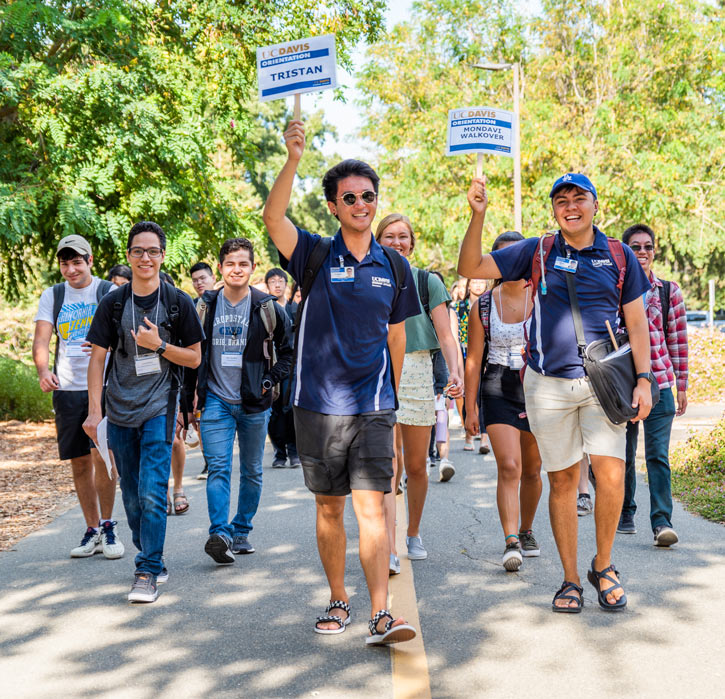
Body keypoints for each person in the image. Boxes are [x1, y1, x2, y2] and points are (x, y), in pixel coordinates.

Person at [458, 173, 652, 613]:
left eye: (578, 198)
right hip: (546, 385)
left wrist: (645, 379)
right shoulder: (538, 251)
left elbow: (637, 325)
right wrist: (478, 214)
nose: (570, 206)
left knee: (611, 475)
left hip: (605, 384)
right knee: (562, 481)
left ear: (594, 204)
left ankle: (603, 566)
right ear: (554, 210)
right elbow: (471, 267)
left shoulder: (620, 256)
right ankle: (569, 579)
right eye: (561, 200)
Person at [263, 116, 420, 645]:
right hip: (318, 405)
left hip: (373, 405)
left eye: (368, 196)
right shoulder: (314, 253)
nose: (360, 205)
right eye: (349, 198)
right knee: (329, 507)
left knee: (371, 506)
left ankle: (381, 612)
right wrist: (293, 159)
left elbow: (396, 337)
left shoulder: (394, 267)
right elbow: (272, 215)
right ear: (333, 206)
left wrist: (390, 396)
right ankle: (338, 599)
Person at [84, 221, 203, 603]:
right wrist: (93, 411)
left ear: (163, 256)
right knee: (132, 495)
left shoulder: (177, 301)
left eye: (153, 251)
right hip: (119, 409)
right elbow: (97, 358)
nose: (145, 258)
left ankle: (147, 569)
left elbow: (196, 358)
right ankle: (151, 552)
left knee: (152, 491)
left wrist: (160, 345)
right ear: (129, 256)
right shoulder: (113, 303)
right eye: (138, 251)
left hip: (159, 405)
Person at [187, 238, 292, 563]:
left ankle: (241, 530)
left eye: (243, 263)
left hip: (254, 402)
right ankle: (219, 532)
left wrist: (268, 381)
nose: (236, 269)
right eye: (230, 263)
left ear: (252, 268)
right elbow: (191, 354)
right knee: (218, 467)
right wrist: (190, 397)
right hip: (215, 400)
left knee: (251, 470)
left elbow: (288, 354)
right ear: (221, 268)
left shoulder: (267, 307)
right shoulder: (204, 305)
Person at [376, 213, 463, 565]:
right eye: (388, 236)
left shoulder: (427, 282)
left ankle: (412, 532)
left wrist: (455, 371)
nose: (397, 242)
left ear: (412, 243)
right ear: (377, 240)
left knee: (415, 464)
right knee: (385, 463)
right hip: (377, 371)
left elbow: (445, 334)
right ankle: (388, 544)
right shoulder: (367, 278)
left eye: (403, 237)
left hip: (417, 370)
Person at [33, 235, 124, 560]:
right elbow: (42, 338)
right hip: (68, 389)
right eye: (65, 263)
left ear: (90, 261)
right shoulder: (53, 295)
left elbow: (124, 336)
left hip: (104, 387)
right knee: (80, 463)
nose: (70, 269)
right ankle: (92, 529)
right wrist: (44, 372)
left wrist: (111, 346)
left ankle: (109, 525)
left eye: (76, 262)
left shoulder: (108, 292)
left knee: (104, 458)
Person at [464, 231, 543, 572]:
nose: (510, 263)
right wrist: (470, 408)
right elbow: (473, 359)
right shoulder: (482, 304)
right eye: (502, 257)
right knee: (509, 465)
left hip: (537, 385)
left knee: (533, 468)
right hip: (497, 384)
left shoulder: (542, 297)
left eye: (517, 256)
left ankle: (526, 529)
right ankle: (511, 538)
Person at [620, 223, 688, 546]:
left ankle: (662, 522)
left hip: (659, 384)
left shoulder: (667, 291)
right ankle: (624, 511)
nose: (643, 252)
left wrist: (683, 385)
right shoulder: (615, 288)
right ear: (626, 251)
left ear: (654, 250)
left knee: (657, 456)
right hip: (623, 385)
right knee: (624, 453)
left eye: (648, 247)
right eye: (636, 247)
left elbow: (678, 341)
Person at [264, 267, 299, 468]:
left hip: (291, 368)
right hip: (270, 368)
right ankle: (279, 453)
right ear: (267, 285)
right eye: (273, 281)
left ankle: (294, 451)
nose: (277, 284)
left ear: (286, 284)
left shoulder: (295, 309)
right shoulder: (263, 309)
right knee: (274, 411)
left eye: (280, 281)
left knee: (290, 409)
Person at [454, 278, 491, 453]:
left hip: (487, 355)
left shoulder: (491, 304)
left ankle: (484, 437)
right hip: (464, 354)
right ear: (468, 285)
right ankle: (469, 434)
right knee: (468, 395)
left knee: (483, 396)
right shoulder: (458, 308)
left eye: (481, 282)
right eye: (474, 282)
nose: (477, 285)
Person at [189, 263, 216, 479]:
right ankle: (209, 462)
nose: (199, 283)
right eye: (195, 280)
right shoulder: (192, 306)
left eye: (203, 278)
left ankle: (216, 461)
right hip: (199, 368)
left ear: (213, 277)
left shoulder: (224, 301)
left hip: (222, 369)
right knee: (200, 418)